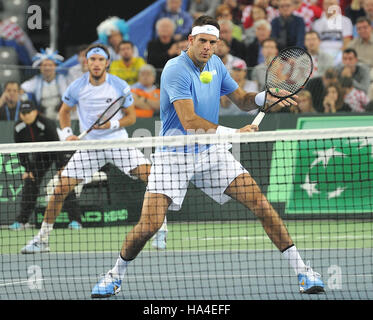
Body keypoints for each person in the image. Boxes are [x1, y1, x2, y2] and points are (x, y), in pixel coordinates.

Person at [91, 15, 325, 298]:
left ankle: (303, 271)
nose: (207, 47)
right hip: (174, 155)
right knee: (148, 226)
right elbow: (189, 121)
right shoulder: (175, 69)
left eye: (212, 42)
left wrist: (265, 97)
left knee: (260, 204)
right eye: (202, 41)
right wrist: (234, 134)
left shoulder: (215, 64)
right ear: (190, 40)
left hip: (210, 153)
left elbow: (240, 98)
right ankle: (114, 275)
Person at [20, 44, 167, 254]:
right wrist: (68, 133)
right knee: (60, 188)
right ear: (86, 63)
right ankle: (42, 239)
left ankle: (161, 229)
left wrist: (111, 125)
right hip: (90, 147)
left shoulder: (119, 85)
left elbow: (131, 117)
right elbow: (64, 112)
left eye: (100, 60)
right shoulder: (76, 86)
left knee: (153, 178)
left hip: (117, 142)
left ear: (107, 62)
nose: (96, 63)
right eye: (92, 60)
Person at [8, 100, 82, 231]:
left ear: (35, 112)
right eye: (23, 113)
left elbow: (57, 146)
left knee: (65, 183)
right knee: (30, 182)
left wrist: (61, 167)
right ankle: (21, 221)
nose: (26, 115)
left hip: (59, 150)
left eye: (28, 112)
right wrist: (28, 169)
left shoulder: (46, 123)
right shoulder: (18, 128)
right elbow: (21, 151)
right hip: (42, 155)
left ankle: (75, 220)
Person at [21, 48, 68, 120]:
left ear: (55, 67)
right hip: (43, 116)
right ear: (40, 68)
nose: (47, 68)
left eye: (50, 65)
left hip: (60, 115)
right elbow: (21, 88)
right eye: (44, 65)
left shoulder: (62, 79)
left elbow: (67, 98)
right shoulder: (36, 80)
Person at [312, 0, 353, 65]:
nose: (329, 6)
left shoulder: (346, 21)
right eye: (326, 4)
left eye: (331, 4)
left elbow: (347, 42)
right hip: (321, 54)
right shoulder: (317, 23)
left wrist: (339, 55)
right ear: (323, 6)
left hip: (339, 54)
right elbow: (315, 42)